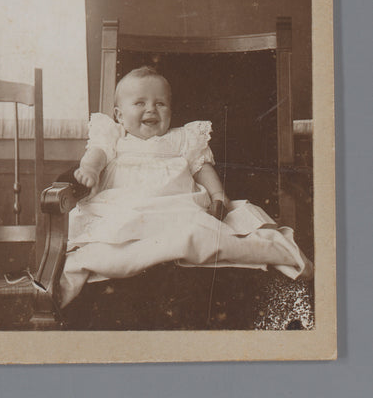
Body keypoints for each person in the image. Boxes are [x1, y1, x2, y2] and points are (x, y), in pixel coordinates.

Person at [60, 66, 312, 308]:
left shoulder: (182, 138)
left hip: (176, 208)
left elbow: (202, 168)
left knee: (196, 230)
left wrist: (218, 195)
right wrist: (91, 170)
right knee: (109, 237)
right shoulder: (114, 137)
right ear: (119, 115)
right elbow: (97, 154)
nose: (151, 109)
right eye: (139, 103)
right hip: (125, 207)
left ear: (170, 110)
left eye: (160, 103)